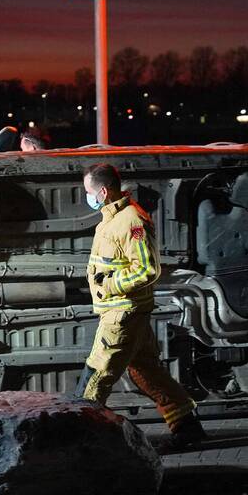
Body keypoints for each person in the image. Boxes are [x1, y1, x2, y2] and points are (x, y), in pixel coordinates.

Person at [74, 163, 206, 452]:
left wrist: (109, 285)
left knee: (97, 375)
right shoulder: (112, 218)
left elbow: (147, 270)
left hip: (123, 314)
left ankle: (79, 442)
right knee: (147, 372)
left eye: (89, 192)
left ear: (104, 191)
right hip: (124, 311)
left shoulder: (131, 220)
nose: (88, 197)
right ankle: (187, 427)